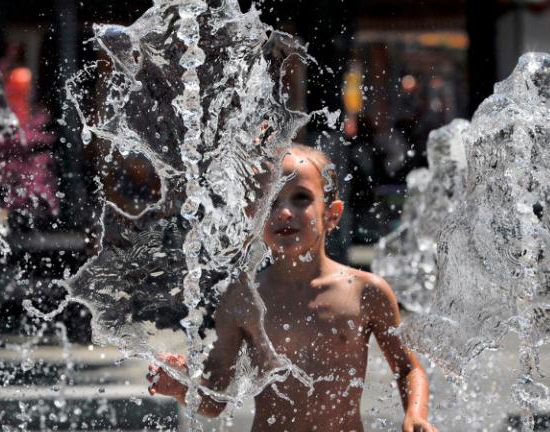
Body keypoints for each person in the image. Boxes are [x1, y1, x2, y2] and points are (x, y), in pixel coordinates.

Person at [147, 144, 437, 432]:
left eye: (301, 198)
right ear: (254, 215)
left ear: (332, 213)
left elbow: (408, 369)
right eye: (272, 201)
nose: (285, 212)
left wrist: (415, 415)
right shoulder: (244, 299)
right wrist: (183, 387)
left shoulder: (364, 292)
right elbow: (216, 399)